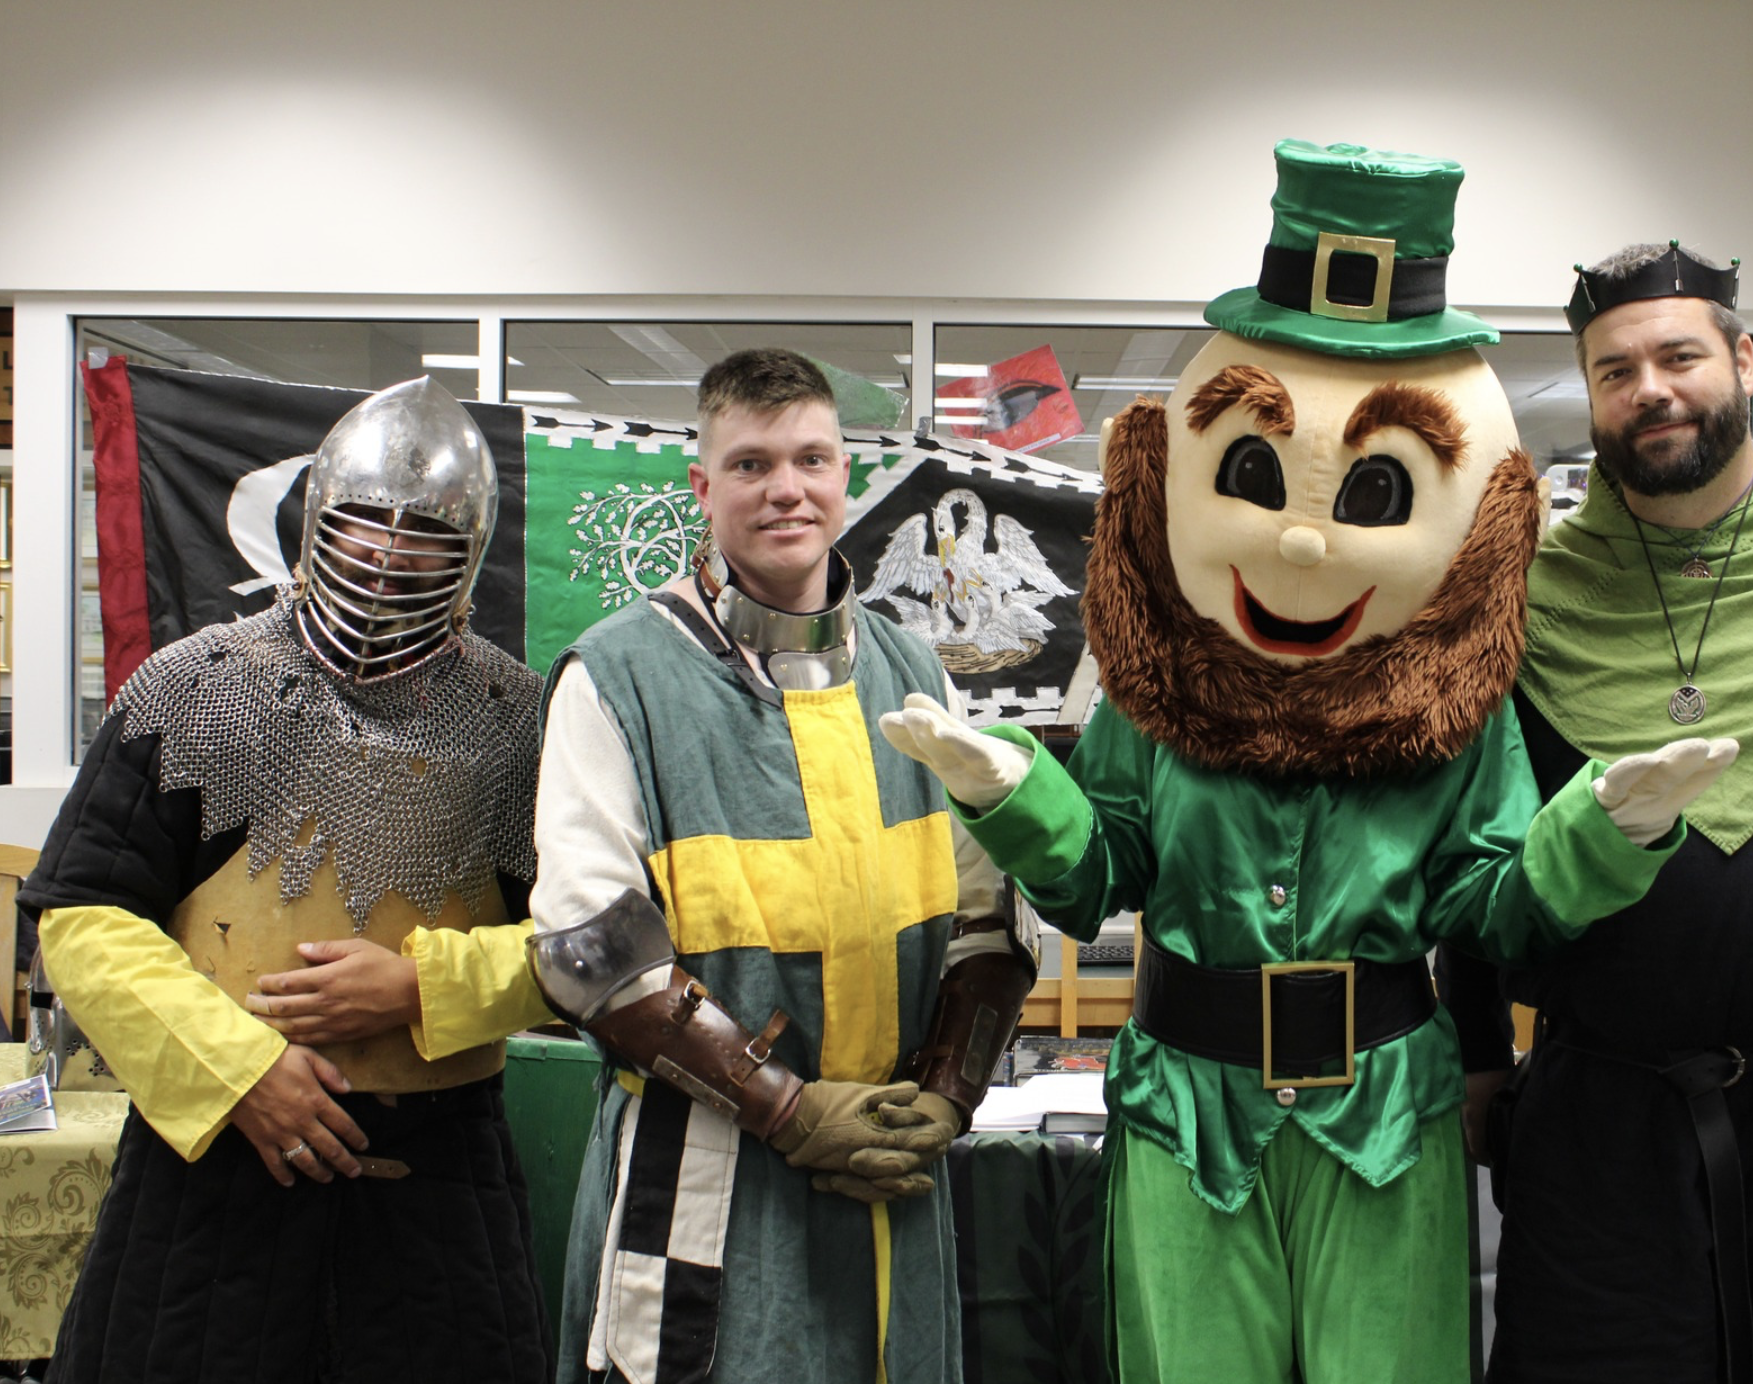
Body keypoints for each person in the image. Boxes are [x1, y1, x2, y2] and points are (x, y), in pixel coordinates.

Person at [881, 144, 1738, 1384]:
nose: (1298, 532)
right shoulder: (1156, 685)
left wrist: (1601, 831)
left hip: (1385, 1110)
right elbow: (1096, 875)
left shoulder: (1459, 705)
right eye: (1250, 474)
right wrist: (1015, 790)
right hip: (1187, 1106)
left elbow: (1485, 904)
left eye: (1377, 489)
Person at [20, 377, 555, 1383]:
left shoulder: (517, 721)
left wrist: (425, 986)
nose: (388, 556)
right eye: (363, 526)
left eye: (424, 540)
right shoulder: (197, 687)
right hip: (211, 1178)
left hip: (436, 1182)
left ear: (470, 557)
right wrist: (241, 1071)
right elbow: (85, 915)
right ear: (315, 523)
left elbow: (586, 942)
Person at [526, 347, 1032, 1384]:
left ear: (847, 474)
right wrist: (789, 1108)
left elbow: (987, 918)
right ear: (703, 486)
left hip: (890, 1169)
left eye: (810, 458)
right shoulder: (617, 675)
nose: (787, 489)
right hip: (705, 1180)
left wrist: (945, 1092)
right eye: (752, 465)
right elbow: (589, 950)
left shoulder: (914, 668)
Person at [1443, 243, 1753, 1384]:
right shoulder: (1528, 587)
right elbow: (1464, 836)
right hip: (1596, 1111)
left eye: (1679, 356)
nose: (1651, 390)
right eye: (1614, 370)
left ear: (1742, 359)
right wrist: (1480, 1054)